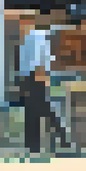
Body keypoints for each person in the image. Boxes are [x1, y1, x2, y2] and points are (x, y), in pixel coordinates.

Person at [16, 14, 69, 158]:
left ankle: (60, 138)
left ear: (29, 22)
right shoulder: (27, 38)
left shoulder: (35, 37)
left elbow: (40, 58)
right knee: (34, 110)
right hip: (29, 77)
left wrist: (41, 76)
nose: (20, 25)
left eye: (23, 22)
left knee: (42, 108)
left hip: (35, 76)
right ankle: (34, 144)